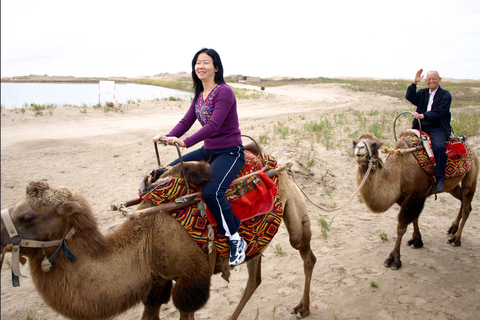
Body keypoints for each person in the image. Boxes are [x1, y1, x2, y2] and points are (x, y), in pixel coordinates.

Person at [153, 48, 247, 267]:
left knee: (212, 192)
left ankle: (235, 238)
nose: (201, 66)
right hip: (209, 150)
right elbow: (186, 122)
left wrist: (185, 142)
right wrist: (167, 137)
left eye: (206, 62)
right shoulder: (200, 96)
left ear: (216, 67)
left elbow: (213, 125)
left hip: (229, 151)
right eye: (197, 63)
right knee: (168, 172)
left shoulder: (224, 92)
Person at [405, 69, 452, 192]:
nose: (431, 81)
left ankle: (440, 177)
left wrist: (423, 115)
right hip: (421, 125)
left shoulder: (445, 95)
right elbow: (410, 96)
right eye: (429, 79)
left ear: (439, 80)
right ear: (426, 81)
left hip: (437, 126)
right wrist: (414, 83)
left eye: (434, 78)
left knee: (439, 146)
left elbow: (440, 112)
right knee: (404, 142)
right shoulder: (423, 93)